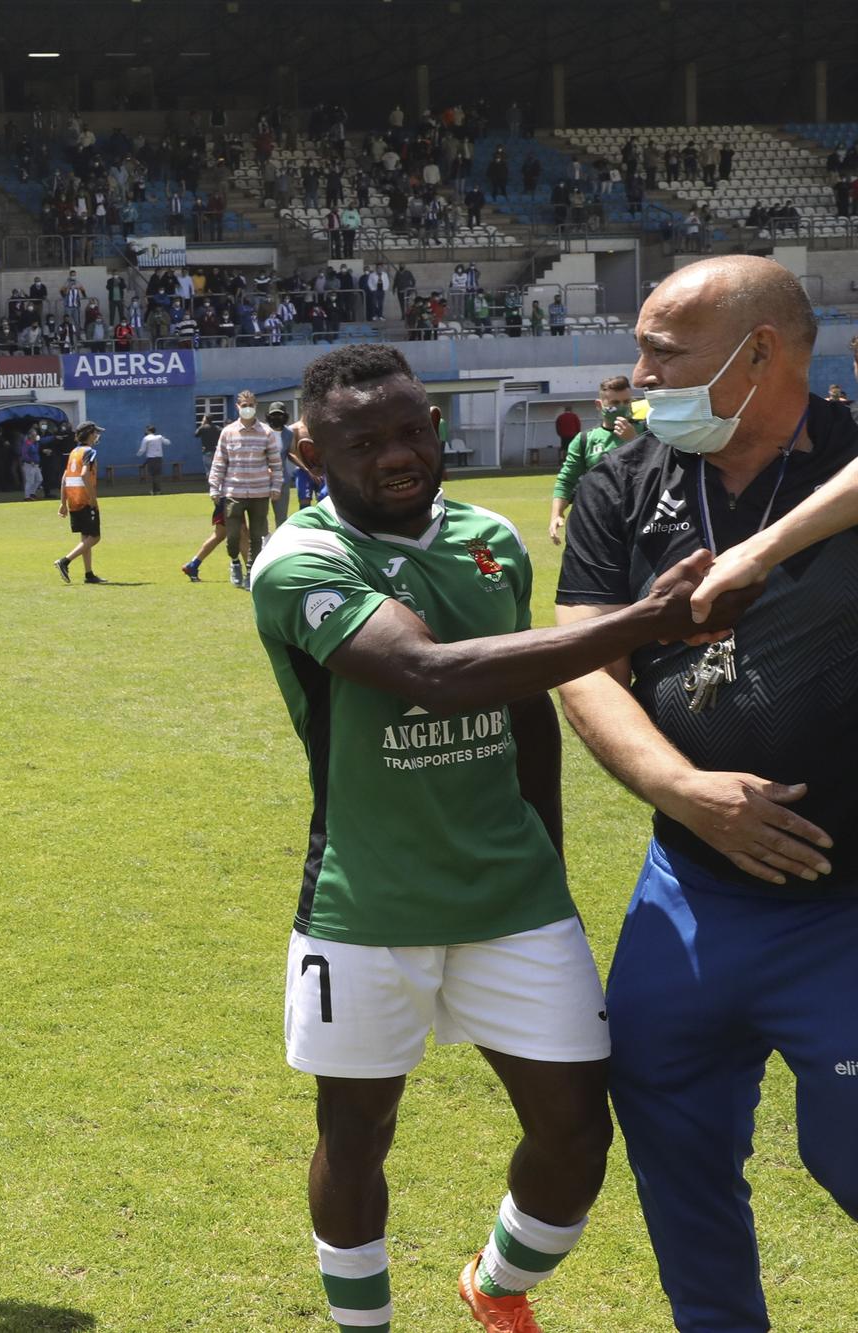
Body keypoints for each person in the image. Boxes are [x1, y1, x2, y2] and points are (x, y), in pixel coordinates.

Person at [252, 344, 753, 1333]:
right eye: (364, 441)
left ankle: (495, 1282)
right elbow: (432, 672)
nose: (395, 454)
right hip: (364, 904)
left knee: (574, 1134)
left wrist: (549, 865)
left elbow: (523, 703)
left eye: (409, 430)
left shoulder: (489, 537)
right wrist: (642, 622)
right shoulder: (296, 560)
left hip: (512, 899)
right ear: (311, 451)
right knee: (354, 1136)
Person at [552, 255, 858, 1333]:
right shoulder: (622, 478)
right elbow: (578, 662)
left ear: (758, 353)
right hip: (689, 891)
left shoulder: (844, 452)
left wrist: (764, 551)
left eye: (663, 352)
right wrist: (679, 788)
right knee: (671, 1141)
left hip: (844, 903)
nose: (637, 375)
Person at [547, 375, 640, 545]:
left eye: (626, 402)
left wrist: (634, 441)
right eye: (614, 403)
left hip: (639, 517)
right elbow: (567, 480)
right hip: (599, 519)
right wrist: (556, 514)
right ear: (600, 405)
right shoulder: (585, 440)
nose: (622, 408)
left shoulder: (647, 432)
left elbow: (658, 467)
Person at [207, 391, 285, 587]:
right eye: (244, 405)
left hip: (260, 492)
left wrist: (276, 486)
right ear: (237, 407)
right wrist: (214, 487)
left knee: (257, 536)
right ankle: (234, 562)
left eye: (251, 404)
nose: (247, 408)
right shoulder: (228, 432)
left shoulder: (266, 432)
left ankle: (251, 572)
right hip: (234, 492)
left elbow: (275, 464)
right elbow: (219, 462)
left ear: (256, 406)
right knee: (232, 536)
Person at [55, 421, 107, 584]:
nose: (97, 436)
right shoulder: (89, 452)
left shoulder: (74, 452)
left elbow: (64, 478)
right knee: (95, 537)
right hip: (85, 499)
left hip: (73, 499)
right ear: (90, 434)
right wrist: (92, 499)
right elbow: (85, 475)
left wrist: (63, 503)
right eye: (95, 432)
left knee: (85, 537)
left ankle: (89, 574)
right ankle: (65, 561)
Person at [266, 403, 297, 525]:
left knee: (281, 515)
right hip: (262, 478)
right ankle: (263, 540)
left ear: (285, 416)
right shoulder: (263, 431)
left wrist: (306, 468)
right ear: (268, 416)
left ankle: (280, 540)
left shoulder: (289, 433)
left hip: (282, 478)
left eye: (279, 415)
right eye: (274, 415)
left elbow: (291, 453)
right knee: (261, 515)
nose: (277, 417)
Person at [138, 424, 168, 495]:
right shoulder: (159, 437)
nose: (145, 431)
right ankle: (157, 490)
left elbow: (142, 450)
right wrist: (164, 438)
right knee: (157, 475)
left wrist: (137, 455)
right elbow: (167, 442)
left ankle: (155, 490)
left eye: (146, 430)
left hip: (151, 459)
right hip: (159, 458)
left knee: (153, 475)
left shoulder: (146, 438)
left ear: (148, 431)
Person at [18, 424, 42, 500]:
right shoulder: (27, 443)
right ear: (30, 436)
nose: (36, 436)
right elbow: (24, 454)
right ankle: (27, 496)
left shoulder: (35, 443)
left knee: (39, 479)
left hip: (36, 465)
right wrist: (30, 460)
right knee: (30, 481)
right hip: (29, 465)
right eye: (34, 435)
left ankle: (32, 493)